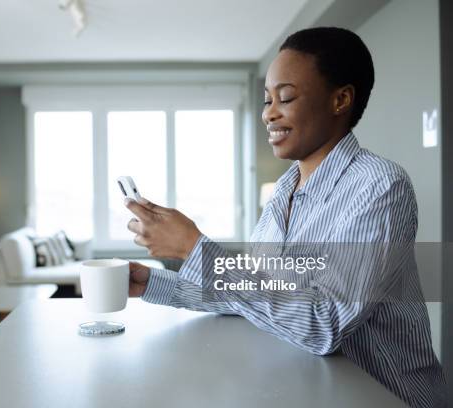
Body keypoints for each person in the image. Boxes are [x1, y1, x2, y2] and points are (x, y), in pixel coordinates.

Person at [124, 27, 446, 407]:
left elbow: (325, 323)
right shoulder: (284, 190)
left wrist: (196, 249)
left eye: (286, 97)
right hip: (314, 389)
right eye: (266, 100)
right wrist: (152, 284)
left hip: (385, 396)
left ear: (341, 99)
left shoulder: (379, 187)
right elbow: (256, 293)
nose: (268, 114)